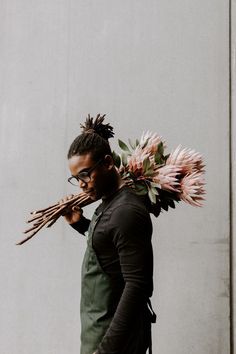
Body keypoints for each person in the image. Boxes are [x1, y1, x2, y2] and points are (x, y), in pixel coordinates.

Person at [62, 114, 156, 354]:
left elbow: (137, 286)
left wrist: (106, 350)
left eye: (85, 174)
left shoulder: (126, 211)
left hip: (115, 342)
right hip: (98, 331)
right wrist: (80, 224)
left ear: (106, 163)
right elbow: (110, 249)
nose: (81, 184)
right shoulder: (109, 202)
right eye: (76, 179)